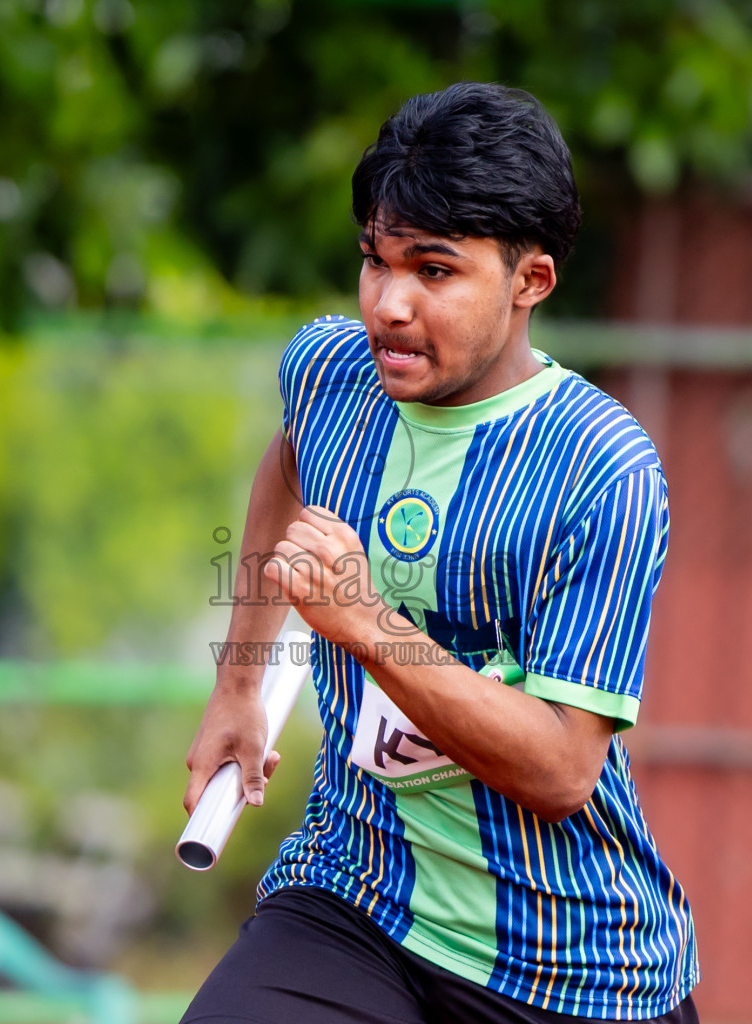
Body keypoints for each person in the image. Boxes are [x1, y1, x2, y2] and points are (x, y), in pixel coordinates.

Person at [181, 83, 699, 1024]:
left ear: (531, 281)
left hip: (569, 964)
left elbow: (561, 771)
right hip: (356, 891)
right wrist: (239, 683)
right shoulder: (329, 374)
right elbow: (286, 467)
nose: (389, 305)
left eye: (434, 270)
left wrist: (369, 626)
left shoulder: (602, 467)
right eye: (374, 261)